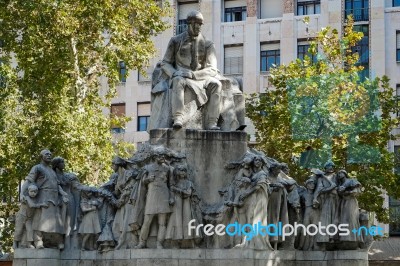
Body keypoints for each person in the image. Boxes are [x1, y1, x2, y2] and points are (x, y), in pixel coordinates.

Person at [161, 11, 222, 130]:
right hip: (181, 76)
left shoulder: (208, 43)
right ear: (188, 23)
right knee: (178, 81)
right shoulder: (175, 41)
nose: (198, 27)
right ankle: (178, 118)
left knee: (217, 84)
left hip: (200, 77)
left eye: (200, 24)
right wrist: (174, 73)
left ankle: (212, 122)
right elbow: (165, 63)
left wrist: (194, 75)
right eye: (195, 23)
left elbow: (212, 69)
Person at [21, 149, 68, 249]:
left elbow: (57, 184)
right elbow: (28, 181)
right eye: (47, 154)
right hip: (43, 197)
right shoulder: (37, 168)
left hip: (55, 198)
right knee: (40, 219)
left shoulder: (52, 170)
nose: (49, 156)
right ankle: (38, 241)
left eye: (50, 154)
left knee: (57, 221)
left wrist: (63, 193)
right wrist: (21, 194)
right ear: (41, 156)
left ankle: (58, 241)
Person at [133, 149, 174, 249]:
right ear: (155, 157)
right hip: (152, 196)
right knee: (147, 221)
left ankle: (159, 243)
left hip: (164, 196)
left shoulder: (167, 169)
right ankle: (142, 242)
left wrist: (171, 197)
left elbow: (171, 184)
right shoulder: (147, 168)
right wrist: (147, 180)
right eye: (160, 155)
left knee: (162, 223)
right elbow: (141, 182)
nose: (163, 157)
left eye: (164, 156)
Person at [14, 184, 48, 249]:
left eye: (35, 192)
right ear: (28, 191)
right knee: (19, 230)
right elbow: (32, 205)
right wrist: (42, 204)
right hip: (21, 217)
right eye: (31, 191)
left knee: (30, 230)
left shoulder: (36, 199)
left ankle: (29, 244)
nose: (33, 193)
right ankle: (15, 242)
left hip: (29, 218)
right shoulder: (26, 197)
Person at [337, 170, 363, 249]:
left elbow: (357, 191)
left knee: (351, 219)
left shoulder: (351, 180)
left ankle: (354, 240)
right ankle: (345, 240)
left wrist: (347, 191)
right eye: (338, 174)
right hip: (343, 203)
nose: (339, 175)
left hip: (351, 202)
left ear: (345, 174)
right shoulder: (339, 184)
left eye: (340, 173)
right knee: (344, 220)